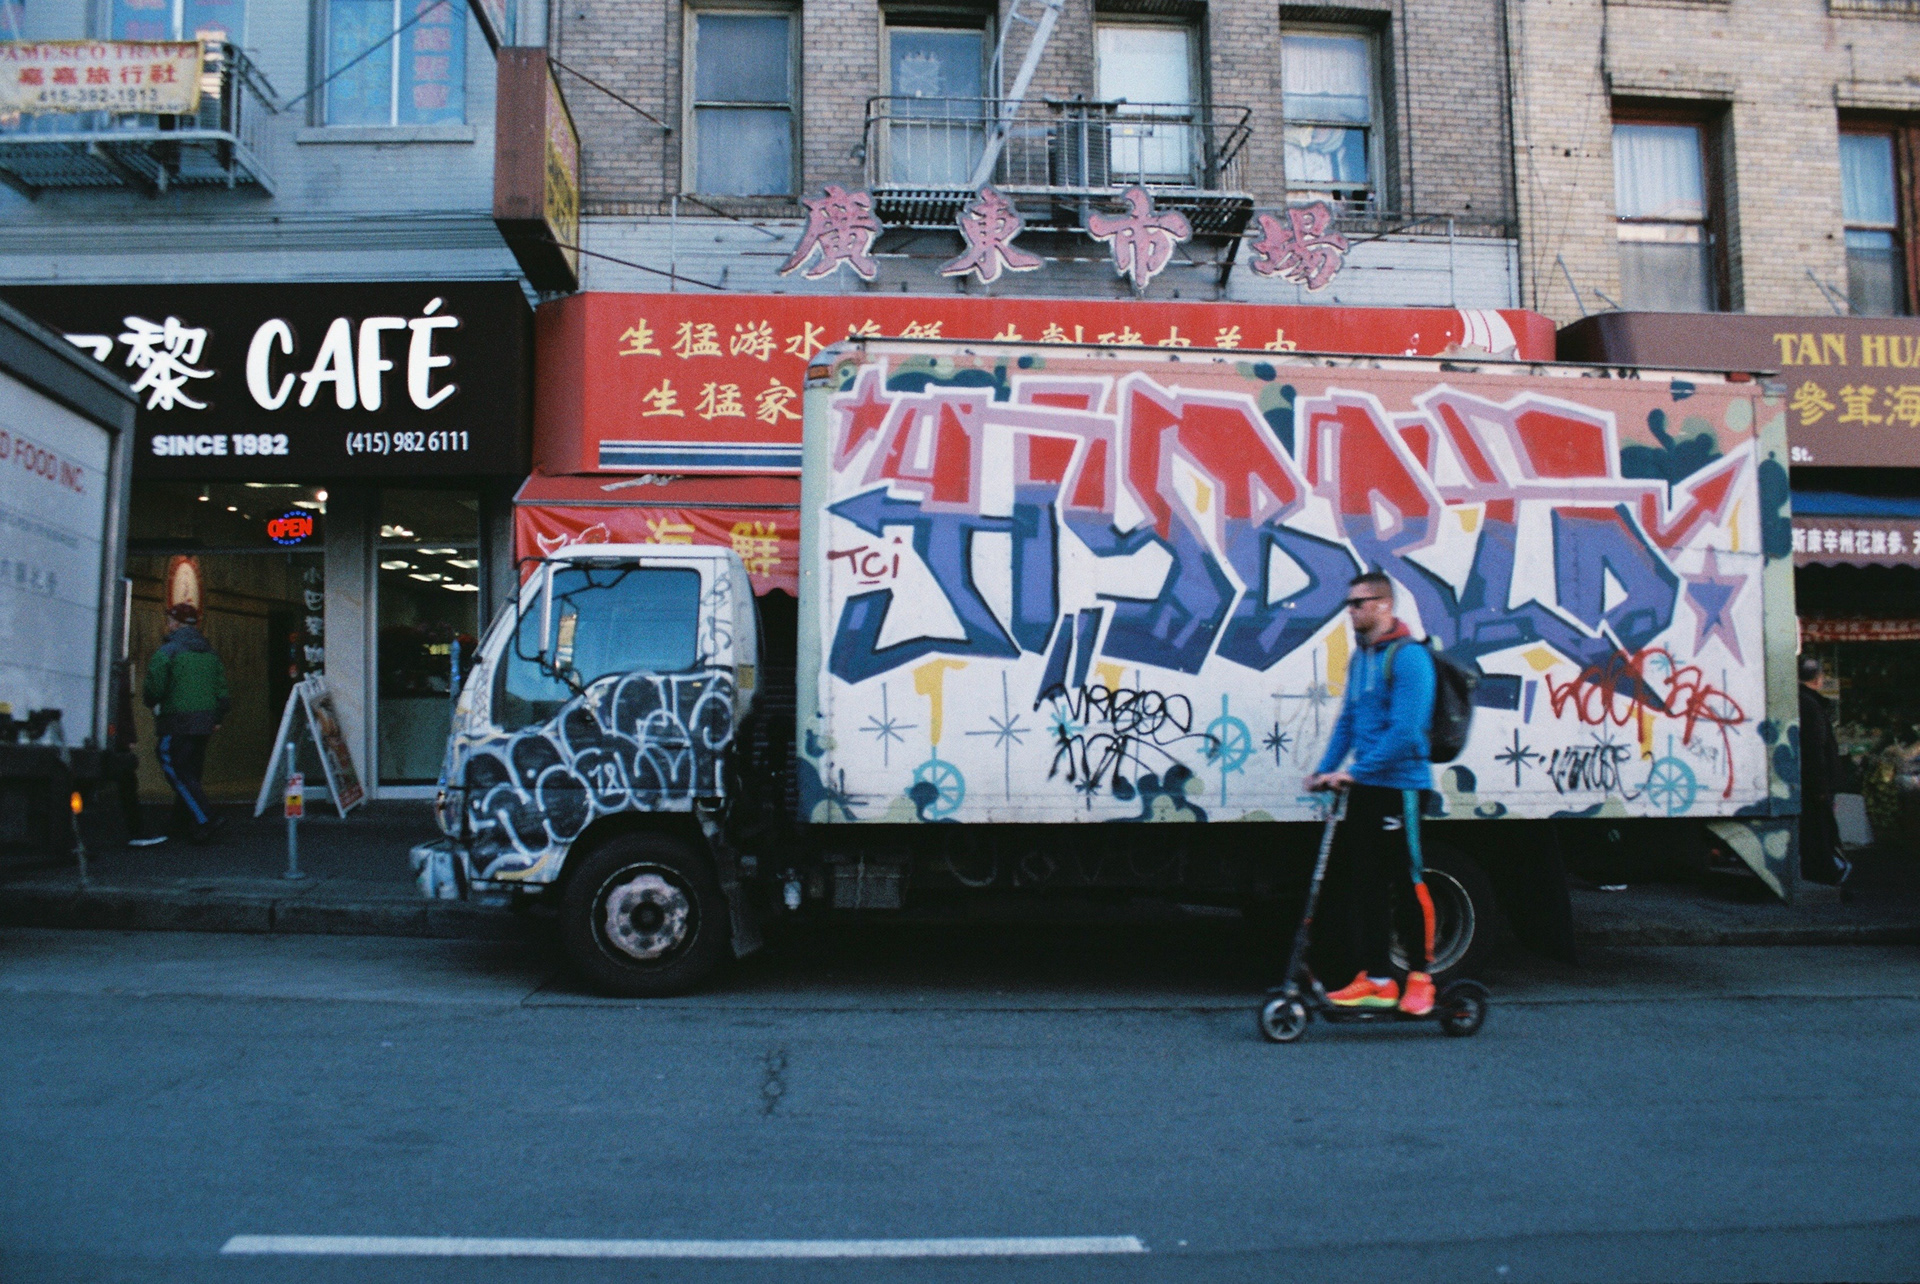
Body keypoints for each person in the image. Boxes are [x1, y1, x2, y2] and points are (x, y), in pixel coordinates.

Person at [1305, 570, 1439, 1016]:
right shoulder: (1361, 658)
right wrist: (1325, 771)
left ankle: (1420, 978)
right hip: (1366, 788)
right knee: (1367, 885)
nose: (1351, 611)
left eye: (1358, 603)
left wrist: (1355, 772)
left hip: (1401, 788)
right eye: (1349, 603)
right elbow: (1348, 720)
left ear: (1384, 604)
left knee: (1408, 880)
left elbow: (1406, 731)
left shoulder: (1409, 658)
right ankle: (1379, 980)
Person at [143, 602, 230, 843]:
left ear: (175, 624)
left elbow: (154, 687)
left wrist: (151, 701)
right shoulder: (210, 653)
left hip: (177, 720)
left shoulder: (168, 651)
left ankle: (206, 818)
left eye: (170, 621)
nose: (168, 625)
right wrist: (217, 718)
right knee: (190, 772)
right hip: (205, 722)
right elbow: (222, 692)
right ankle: (180, 823)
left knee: (174, 765)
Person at [1798, 655, 1850, 886]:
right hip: (1816, 783)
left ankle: (1822, 872)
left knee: (1814, 831)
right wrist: (1821, 785)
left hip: (1809, 781)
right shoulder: (1811, 705)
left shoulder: (1802, 701)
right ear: (1818, 679)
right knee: (1820, 831)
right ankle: (1826, 874)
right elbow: (1816, 748)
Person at [107, 656, 165, 847]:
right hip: (118, 734)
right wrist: (128, 735)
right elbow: (123, 707)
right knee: (127, 782)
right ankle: (136, 831)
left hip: (112, 732)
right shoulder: (119, 671)